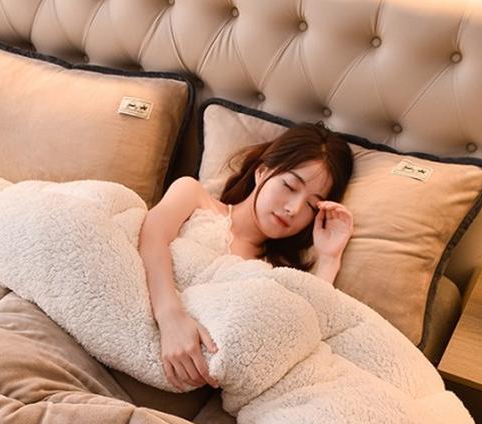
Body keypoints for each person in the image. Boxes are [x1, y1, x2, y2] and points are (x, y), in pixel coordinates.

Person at [139, 121, 355, 392]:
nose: (293, 208)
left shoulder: (275, 274)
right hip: (146, 325)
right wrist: (171, 318)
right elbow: (151, 237)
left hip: (195, 379)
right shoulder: (193, 196)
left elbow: (302, 330)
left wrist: (329, 258)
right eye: (290, 186)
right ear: (262, 172)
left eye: (312, 205)